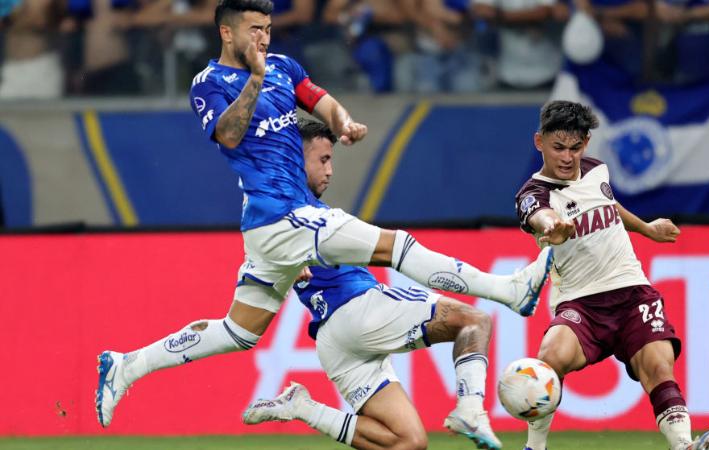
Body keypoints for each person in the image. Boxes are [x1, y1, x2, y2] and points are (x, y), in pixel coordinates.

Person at [95, 0, 553, 434]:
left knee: (238, 332)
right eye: (254, 29)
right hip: (281, 216)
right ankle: (507, 291)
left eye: (268, 29)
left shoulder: (283, 67)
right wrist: (253, 79)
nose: (264, 38)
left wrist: (343, 122)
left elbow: (321, 100)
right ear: (226, 31)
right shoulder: (208, 83)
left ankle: (129, 364)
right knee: (394, 246)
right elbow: (230, 137)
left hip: (278, 228)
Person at [242, 118, 503, 449]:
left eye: (331, 159)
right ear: (295, 158)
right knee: (474, 320)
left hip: (333, 342)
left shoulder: (271, 214)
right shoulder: (301, 214)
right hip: (357, 310)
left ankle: (303, 407)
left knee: (409, 442)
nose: (331, 170)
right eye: (323, 159)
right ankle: (471, 409)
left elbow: (257, 251)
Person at [513, 100, 709, 450]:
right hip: (581, 303)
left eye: (575, 148)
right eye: (558, 147)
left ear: (587, 144)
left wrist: (646, 228)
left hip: (632, 292)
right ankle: (535, 447)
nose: (567, 157)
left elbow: (608, 205)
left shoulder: (597, 170)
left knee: (658, 366)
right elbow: (541, 217)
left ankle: (684, 445)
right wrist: (555, 226)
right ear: (540, 143)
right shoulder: (532, 195)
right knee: (550, 359)